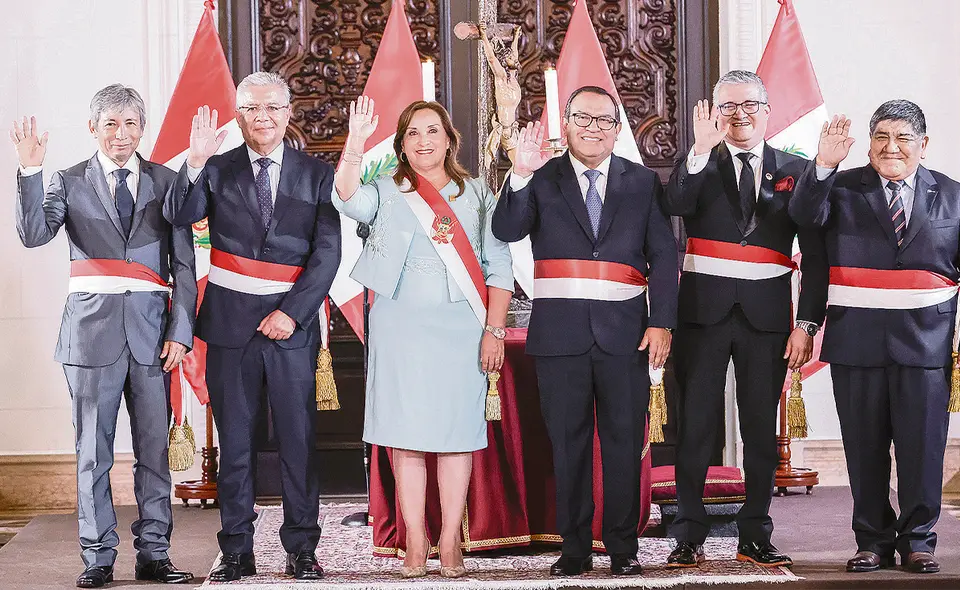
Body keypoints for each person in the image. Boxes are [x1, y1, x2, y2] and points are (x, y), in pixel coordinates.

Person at [789, 100, 960, 574]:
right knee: (864, 450)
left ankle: (919, 541)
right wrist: (822, 163)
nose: (892, 147)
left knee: (922, 448)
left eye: (904, 137)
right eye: (882, 136)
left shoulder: (954, 195)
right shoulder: (839, 187)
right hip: (855, 342)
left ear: (924, 144)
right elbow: (802, 218)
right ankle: (873, 541)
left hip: (926, 345)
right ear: (868, 142)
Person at [11, 84, 196, 588]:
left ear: (143, 128)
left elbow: (184, 263)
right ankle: (97, 558)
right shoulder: (67, 181)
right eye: (111, 123)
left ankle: (155, 554)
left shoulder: (165, 181)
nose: (122, 134)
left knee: (154, 452)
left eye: (132, 124)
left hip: (155, 338)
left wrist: (181, 332)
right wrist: (30, 170)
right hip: (89, 339)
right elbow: (33, 234)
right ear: (92, 127)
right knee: (92, 452)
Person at [492, 85, 678, 577]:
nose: (593, 127)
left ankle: (622, 549)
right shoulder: (540, 177)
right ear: (567, 125)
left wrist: (661, 322)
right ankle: (573, 548)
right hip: (560, 338)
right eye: (582, 118)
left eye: (603, 120)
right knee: (568, 447)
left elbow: (663, 255)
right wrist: (520, 174)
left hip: (627, 336)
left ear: (617, 129)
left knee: (622, 446)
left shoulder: (641, 182)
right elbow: (506, 230)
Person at [163, 72, 341, 582]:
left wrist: (294, 312)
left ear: (288, 113)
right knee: (236, 445)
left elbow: (328, 251)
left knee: (298, 441)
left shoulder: (316, 174)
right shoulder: (215, 168)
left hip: (292, 325)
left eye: (271, 108)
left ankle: (301, 548)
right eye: (250, 109)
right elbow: (180, 214)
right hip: (230, 326)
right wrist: (193, 162)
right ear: (238, 115)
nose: (261, 117)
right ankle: (237, 549)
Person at [334, 97, 513, 579]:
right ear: (401, 143)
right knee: (406, 436)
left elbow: (499, 265)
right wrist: (354, 141)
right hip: (399, 327)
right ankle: (415, 536)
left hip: (461, 328)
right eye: (413, 133)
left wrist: (494, 329)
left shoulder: (474, 192)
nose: (423, 141)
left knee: (456, 435)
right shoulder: (387, 188)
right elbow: (346, 199)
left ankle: (450, 537)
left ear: (450, 139)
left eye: (432, 131)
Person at [660, 70, 828, 569]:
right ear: (714, 111)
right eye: (728, 106)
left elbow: (815, 255)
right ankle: (687, 533)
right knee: (695, 429)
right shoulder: (696, 163)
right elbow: (675, 205)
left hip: (769, 320)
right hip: (702, 316)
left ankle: (754, 532)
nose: (740, 115)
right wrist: (696, 151)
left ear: (767, 110)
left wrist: (809, 324)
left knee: (759, 430)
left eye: (750, 105)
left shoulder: (797, 170)